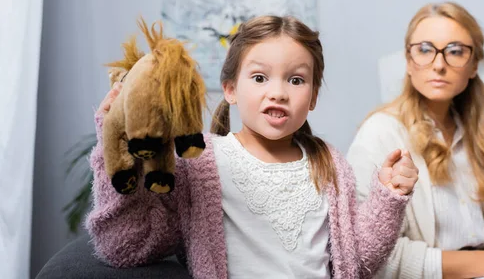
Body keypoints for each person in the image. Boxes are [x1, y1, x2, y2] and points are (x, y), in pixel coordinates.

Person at [86, 15, 419, 279]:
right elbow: (125, 246)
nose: (278, 92)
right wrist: (114, 147)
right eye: (260, 78)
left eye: (296, 80)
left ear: (313, 97)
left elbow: (357, 265)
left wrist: (388, 198)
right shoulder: (201, 162)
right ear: (230, 89)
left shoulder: (330, 164)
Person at [347, 2, 484, 279]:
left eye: (455, 51)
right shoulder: (380, 132)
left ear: (474, 65)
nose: (439, 65)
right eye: (425, 50)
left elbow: (478, 237)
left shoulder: (479, 135)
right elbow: (372, 254)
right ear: (408, 61)